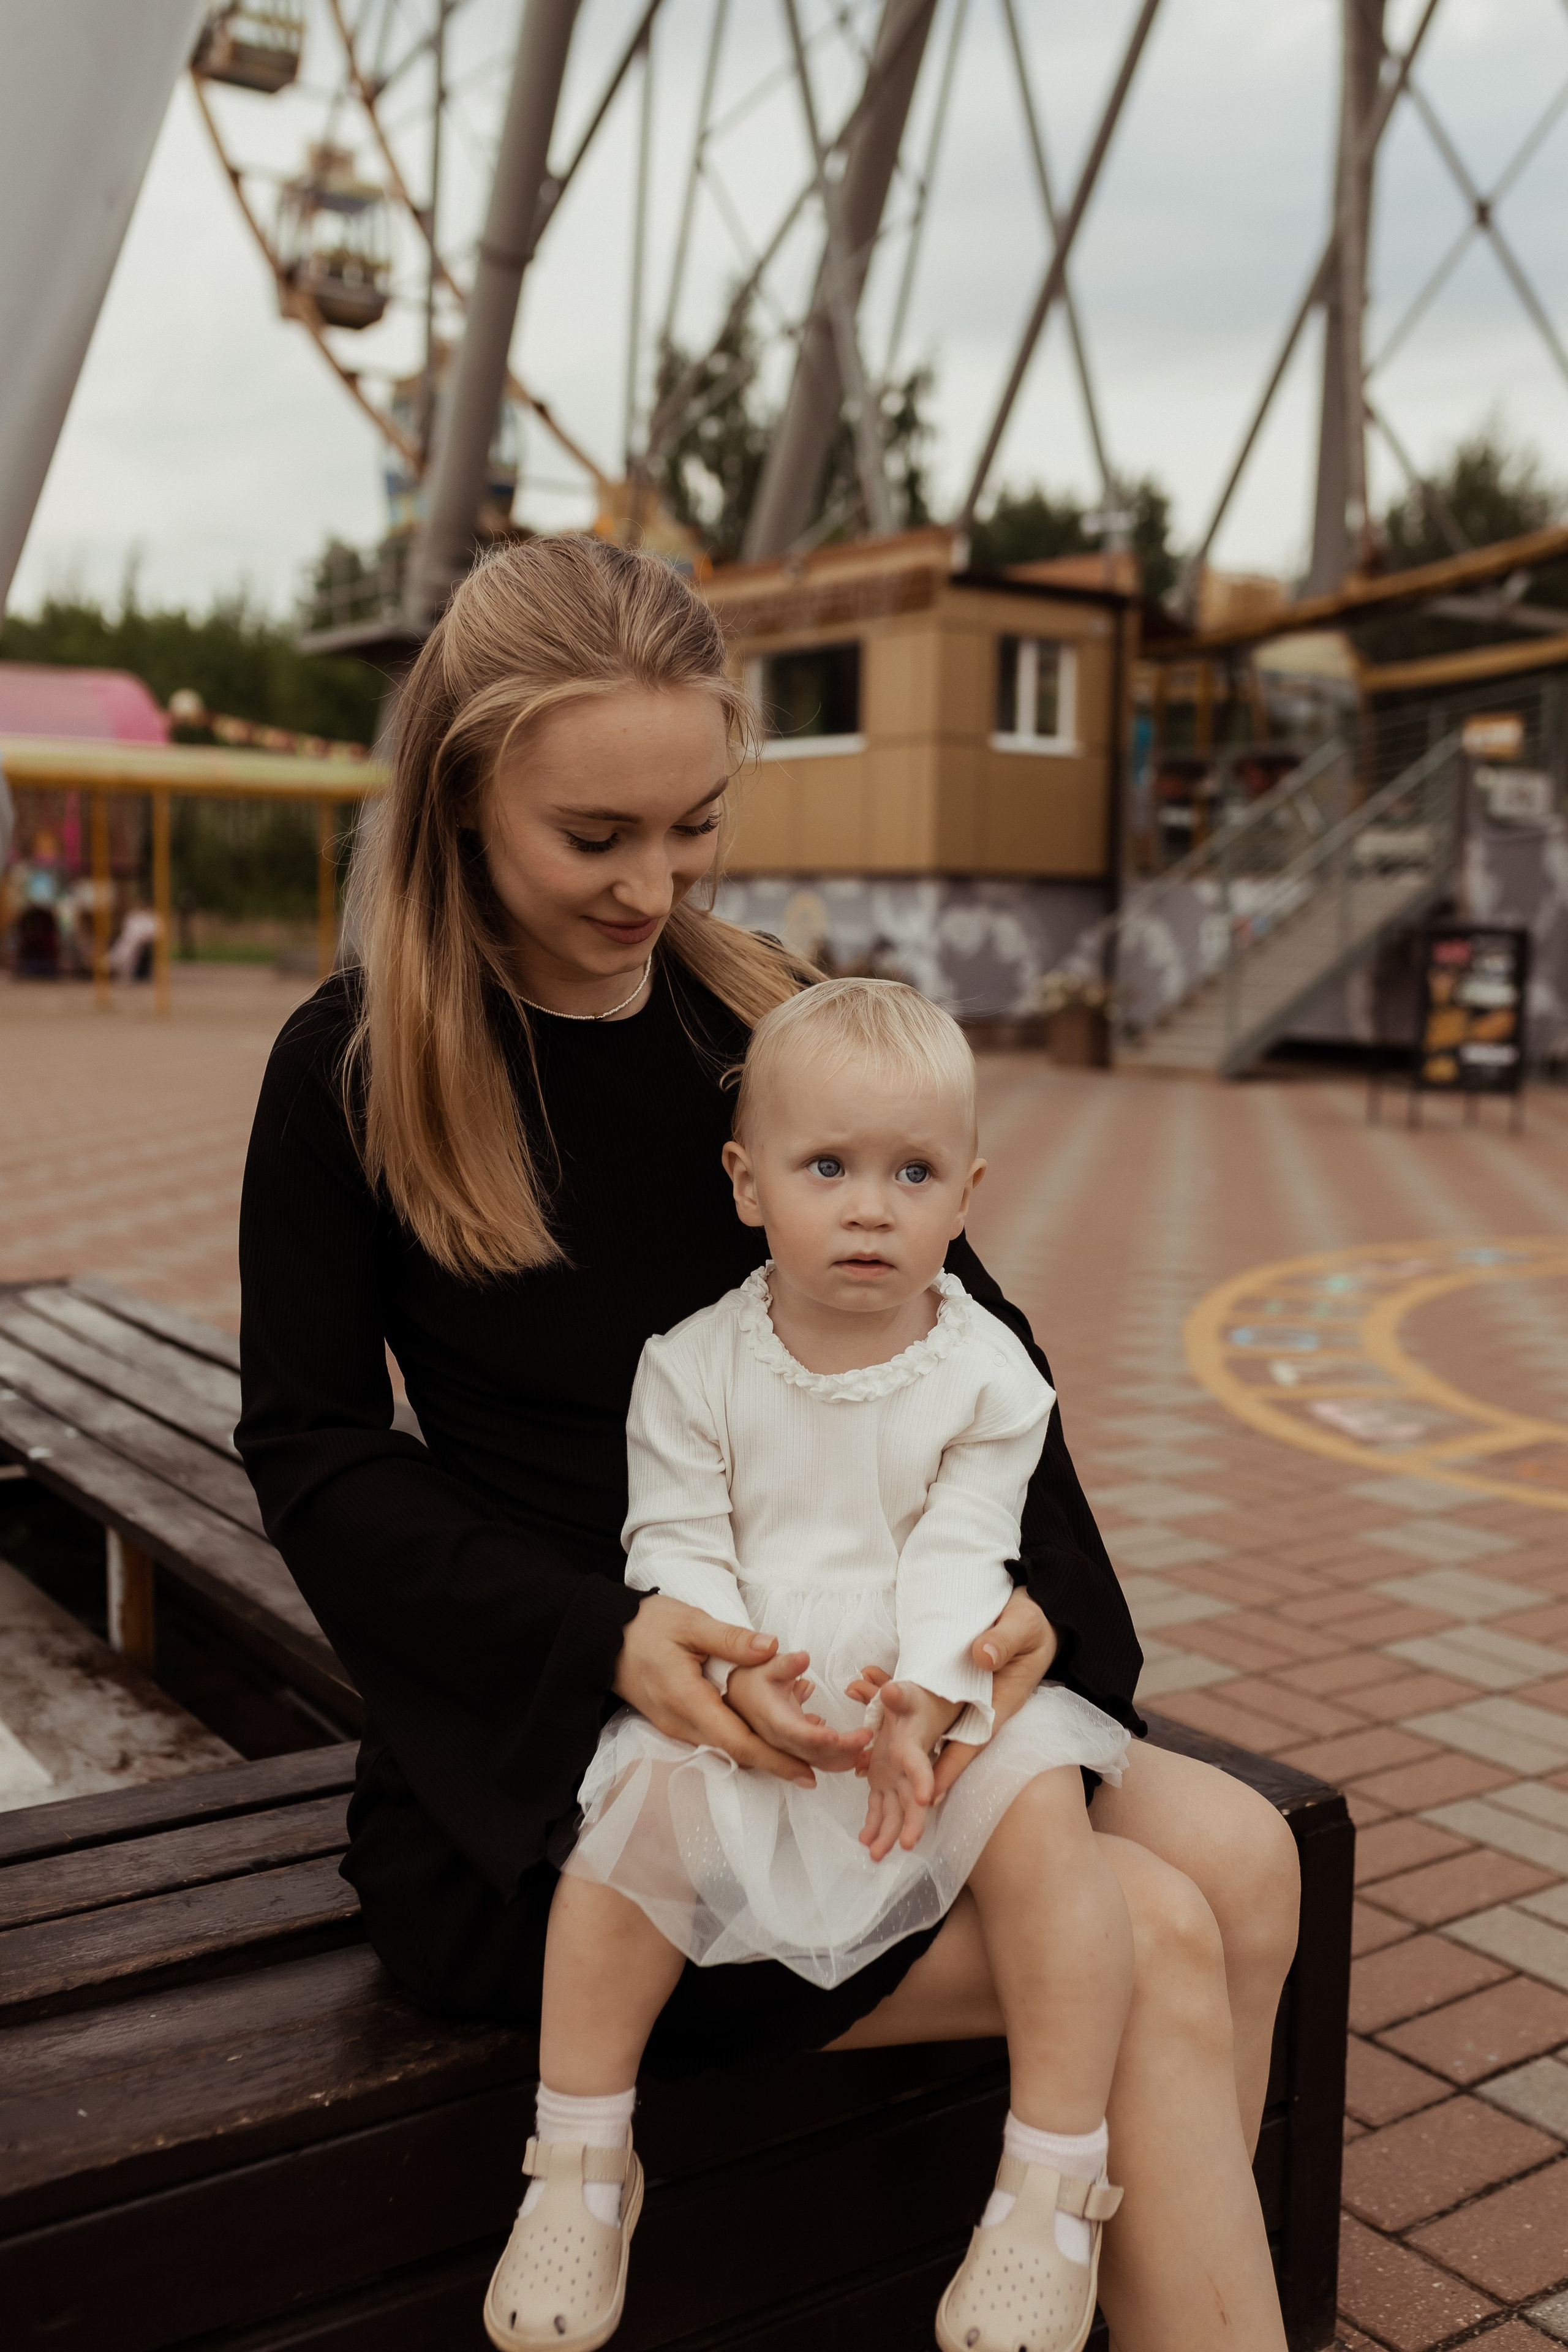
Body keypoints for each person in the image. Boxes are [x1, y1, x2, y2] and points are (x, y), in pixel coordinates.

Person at [236, 535, 1298, 2352]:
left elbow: (985, 1339)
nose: (657, 884)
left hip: (864, 1671)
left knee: (1253, 1861)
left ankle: (1139, 2283)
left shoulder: (759, 1015)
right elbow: (315, 1452)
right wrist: (613, 1643)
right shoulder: (359, 1068)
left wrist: (1035, 1606)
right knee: (1164, 1944)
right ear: (462, 795)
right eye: (598, 838)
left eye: (697, 823)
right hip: (581, 1760)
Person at [503, 979, 1134, 2352]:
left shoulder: (989, 1376)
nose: (868, 1208)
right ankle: (580, 2158)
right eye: (827, 1168)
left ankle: (1047, 2181)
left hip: (915, 1684)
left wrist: (929, 1692)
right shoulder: (688, 1366)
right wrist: (739, 1676)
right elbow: (674, 1542)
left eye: (912, 1174)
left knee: (1048, 1845)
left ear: (964, 1194)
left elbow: (967, 1548)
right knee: (618, 1857)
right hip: (752, 1684)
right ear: (746, 1184)